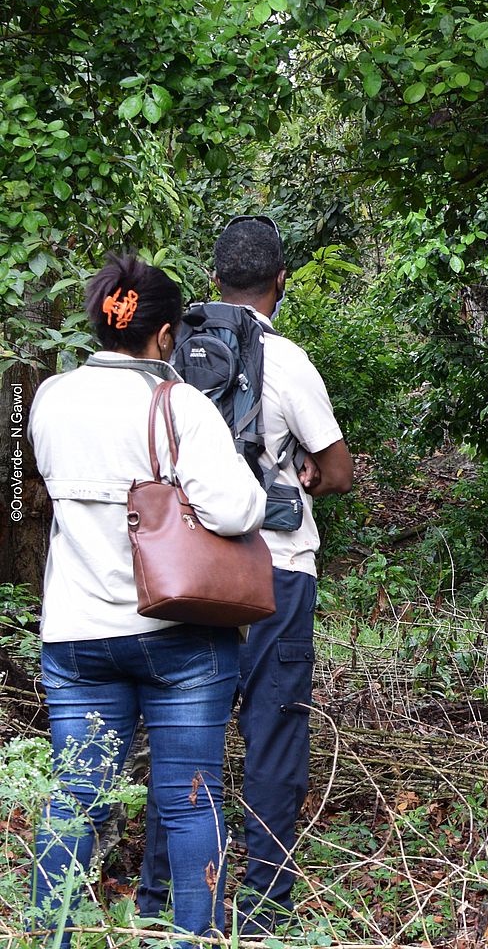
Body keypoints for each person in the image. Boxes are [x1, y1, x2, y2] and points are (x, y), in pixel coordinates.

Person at [29, 254, 266, 945]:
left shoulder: (49, 397)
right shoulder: (178, 404)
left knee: (74, 800)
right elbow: (235, 511)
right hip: (177, 638)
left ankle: (53, 937)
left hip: (76, 635)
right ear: (165, 336)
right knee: (191, 804)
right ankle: (191, 938)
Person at [139, 216, 354, 932]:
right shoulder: (287, 360)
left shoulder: (171, 357)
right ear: (281, 280)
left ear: (213, 280)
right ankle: (263, 907)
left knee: (184, 732)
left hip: (190, 572)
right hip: (277, 573)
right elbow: (340, 469)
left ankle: (160, 897)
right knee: (274, 733)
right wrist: (302, 477)